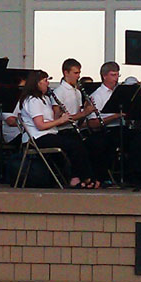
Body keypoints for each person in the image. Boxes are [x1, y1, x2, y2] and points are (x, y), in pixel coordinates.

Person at [19, 70, 95, 188]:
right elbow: (40, 125)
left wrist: (58, 112)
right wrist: (61, 120)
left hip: (50, 133)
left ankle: (78, 177)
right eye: (45, 81)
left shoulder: (45, 99)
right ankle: (83, 178)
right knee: (73, 145)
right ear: (37, 83)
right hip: (38, 137)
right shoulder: (32, 100)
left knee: (77, 142)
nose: (48, 83)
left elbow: (51, 120)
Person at [50, 58, 97, 188]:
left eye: (79, 73)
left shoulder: (77, 91)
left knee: (93, 143)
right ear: (66, 73)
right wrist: (84, 113)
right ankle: (80, 178)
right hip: (63, 130)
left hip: (75, 129)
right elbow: (57, 120)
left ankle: (90, 177)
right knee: (77, 146)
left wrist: (86, 110)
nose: (78, 76)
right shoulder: (59, 92)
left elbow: (78, 118)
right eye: (75, 73)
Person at [85, 61, 125, 186]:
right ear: (104, 76)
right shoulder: (97, 96)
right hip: (106, 130)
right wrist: (115, 116)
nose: (116, 78)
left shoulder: (120, 92)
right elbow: (92, 123)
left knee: (140, 138)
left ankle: (134, 176)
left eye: (117, 75)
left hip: (120, 128)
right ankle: (102, 177)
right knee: (103, 144)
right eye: (113, 75)